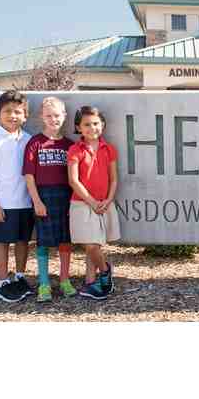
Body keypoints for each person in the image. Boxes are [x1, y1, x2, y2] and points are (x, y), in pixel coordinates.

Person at [0, 90, 34, 303]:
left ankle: (19, 276)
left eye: (18, 112)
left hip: (25, 201)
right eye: (7, 111)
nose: (13, 115)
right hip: (2, 202)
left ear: (25, 115)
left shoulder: (28, 139)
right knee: (2, 241)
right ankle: (3, 281)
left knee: (23, 241)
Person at [23, 97, 76, 302]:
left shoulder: (69, 145)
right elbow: (29, 176)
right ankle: (44, 283)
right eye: (49, 116)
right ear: (41, 117)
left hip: (65, 196)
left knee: (65, 240)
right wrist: (36, 201)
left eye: (57, 115)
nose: (53, 119)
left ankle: (64, 279)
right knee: (43, 241)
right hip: (43, 196)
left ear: (64, 116)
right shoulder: (35, 142)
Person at [67, 106, 120, 300]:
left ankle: (90, 282)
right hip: (82, 204)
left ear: (102, 125)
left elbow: (114, 179)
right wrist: (91, 201)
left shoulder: (109, 149)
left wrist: (108, 199)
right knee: (90, 245)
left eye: (96, 123)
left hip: (104, 204)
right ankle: (105, 271)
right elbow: (73, 181)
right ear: (78, 128)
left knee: (96, 243)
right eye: (87, 124)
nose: (92, 128)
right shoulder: (75, 150)